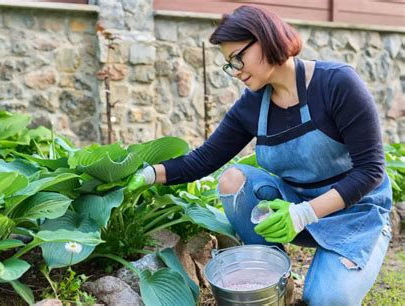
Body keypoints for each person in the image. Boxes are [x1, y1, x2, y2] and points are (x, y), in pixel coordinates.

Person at [128, 4, 392, 305]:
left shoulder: (337, 84)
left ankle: (333, 266)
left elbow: (371, 171)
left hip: (357, 214)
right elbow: (201, 161)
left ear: (265, 38)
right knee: (232, 181)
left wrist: (303, 213)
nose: (235, 70)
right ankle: (277, 284)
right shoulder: (252, 105)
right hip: (294, 209)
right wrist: (146, 174)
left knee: (325, 299)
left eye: (238, 58)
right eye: (229, 64)